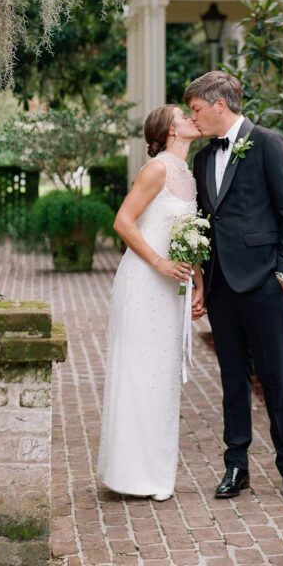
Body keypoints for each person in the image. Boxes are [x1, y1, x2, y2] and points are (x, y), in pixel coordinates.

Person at [185, 71, 283, 503]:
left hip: (264, 283)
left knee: (276, 378)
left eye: (196, 109)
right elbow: (204, 221)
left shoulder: (269, 143)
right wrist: (201, 277)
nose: (192, 118)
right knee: (232, 379)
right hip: (222, 285)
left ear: (220, 104)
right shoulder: (202, 160)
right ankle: (235, 466)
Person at [97, 104, 203, 501]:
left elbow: (188, 236)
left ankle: (157, 473)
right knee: (139, 373)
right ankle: (129, 474)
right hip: (144, 282)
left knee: (161, 376)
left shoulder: (188, 175)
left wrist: (198, 282)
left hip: (172, 287)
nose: (192, 119)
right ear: (170, 130)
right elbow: (123, 221)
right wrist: (158, 262)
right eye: (183, 115)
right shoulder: (156, 169)